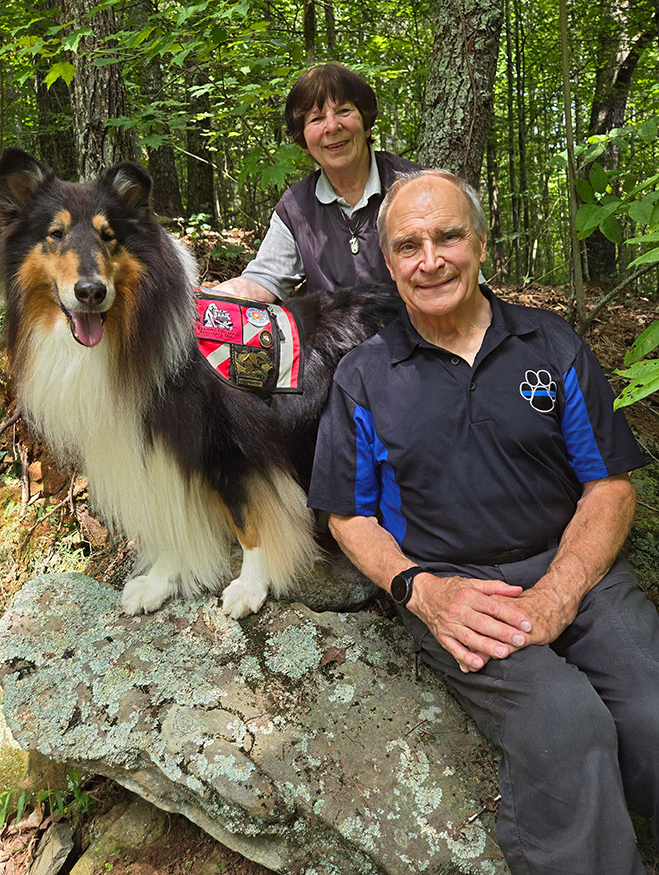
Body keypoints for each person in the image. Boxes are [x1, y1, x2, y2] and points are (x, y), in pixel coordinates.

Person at [307, 168, 659, 874]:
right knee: (566, 722)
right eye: (408, 245)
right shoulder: (365, 375)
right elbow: (348, 514)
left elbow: (610, 488)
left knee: (652, 711)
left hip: (576, 568)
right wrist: (422, 591)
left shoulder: (550, 344)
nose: (429, 259)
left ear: (481, 244)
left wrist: (561, 590)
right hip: (457, 589)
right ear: (389, 262)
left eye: (448, 237)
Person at [215, 63, 421, 302]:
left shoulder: (417, 187)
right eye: (317, 118)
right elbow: (262, 280)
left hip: (417, 336)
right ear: (303, 140)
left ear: (366, 124)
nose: (332, 126)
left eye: (344, 111)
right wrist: (200, 300)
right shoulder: (297, 207)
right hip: (334, 338)